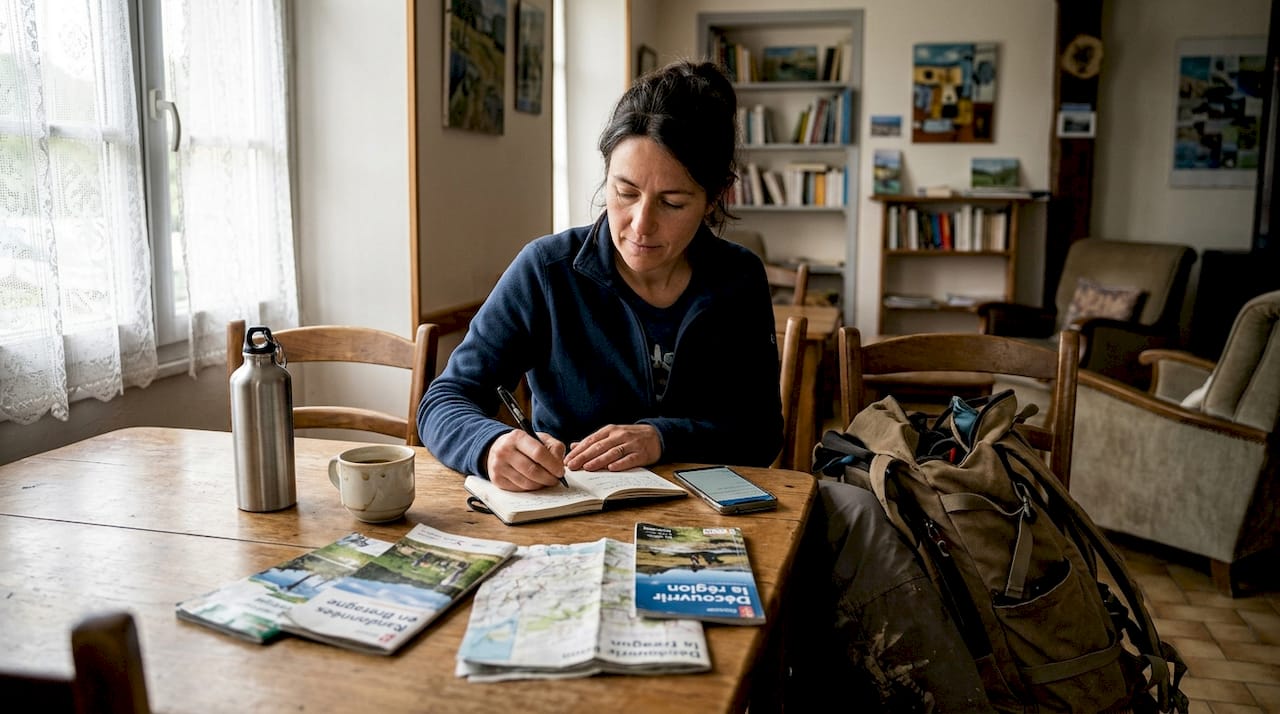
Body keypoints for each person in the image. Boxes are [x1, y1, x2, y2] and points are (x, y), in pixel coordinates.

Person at [418, 60, 782, 489]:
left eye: (672, 203)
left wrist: (663, 438)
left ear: (714, 198)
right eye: (625, 192)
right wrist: (488, 445)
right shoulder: (546, 271)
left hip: (704, 510)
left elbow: (761, 434)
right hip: (572, 505)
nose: (641, 225)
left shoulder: (739, 279)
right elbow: (444, 400)